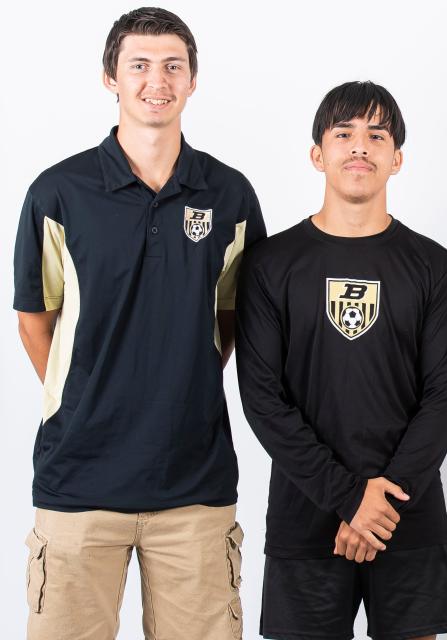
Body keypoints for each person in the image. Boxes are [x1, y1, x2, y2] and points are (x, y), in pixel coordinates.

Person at [13, 7, 266, 639]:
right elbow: (32, 319)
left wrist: (182, 380)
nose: (158, 80)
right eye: (140, 65)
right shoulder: (58, 192)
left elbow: (236, 316)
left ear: (193, 81)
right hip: (78, 479)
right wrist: (88, 396)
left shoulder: (228, 194)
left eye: (172, 66)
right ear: (111, 78)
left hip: (195, 485)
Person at [235, 81, 447, 640]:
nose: (360, 147)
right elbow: (263, 399)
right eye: (344, 134)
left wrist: (379, 501)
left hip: (405, 515)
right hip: (305, 515)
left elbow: (444, 395)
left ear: (397, 158)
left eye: (376, 135)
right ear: (318, 154)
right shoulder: (270, 265)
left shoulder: (434, 266)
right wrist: (348, 498)